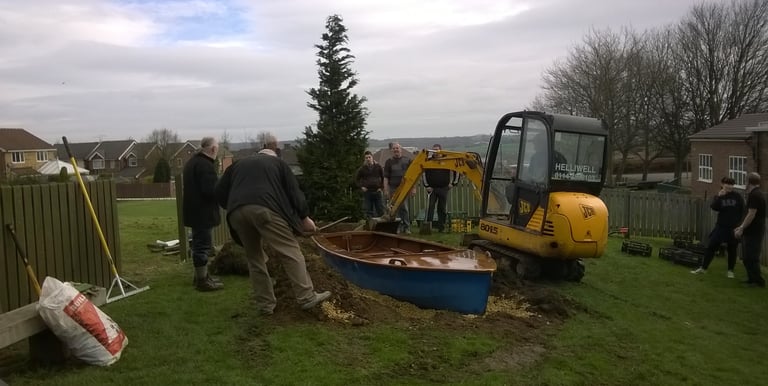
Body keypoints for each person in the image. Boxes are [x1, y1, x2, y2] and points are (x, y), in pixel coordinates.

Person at [215, 133, 331, 315]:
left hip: (236, 213)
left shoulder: (238, 164)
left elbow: (219, 191)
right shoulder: (279, 164)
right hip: (265, 209)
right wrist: (304, 218)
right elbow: (294, 193)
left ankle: (265, 305)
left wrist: (233, 205)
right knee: (290, 251)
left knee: (254, 258)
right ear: (275, 153)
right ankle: (306, 297)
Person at [182, 137, 224, 292]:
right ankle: (202, 281)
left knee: (199, 244)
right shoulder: (205, 165)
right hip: (203, 212)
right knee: (202, 247)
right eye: (217, 148)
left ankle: (202, 276)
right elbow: (210, 190)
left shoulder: (192, 162)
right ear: (213, 149)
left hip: (194, 211)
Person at [691, 177, 744, 277]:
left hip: (733, 227)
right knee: (711, 246)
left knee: (732, 249)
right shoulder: (720, 196)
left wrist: (740, 226)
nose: (729, 186)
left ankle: (730, 271)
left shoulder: (737, 197)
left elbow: (742, 211)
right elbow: (714, 207)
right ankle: (703, 268)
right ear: (722, 184)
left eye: (731, 184)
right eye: (727, 184)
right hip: (721, 226)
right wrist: (719, 197)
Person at [734, 172, 766, 288]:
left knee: (752, 257)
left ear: (748, 182)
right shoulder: (755, 193)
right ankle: (751, 278)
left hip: (754, 232)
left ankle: (758, 282)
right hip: (751, 230)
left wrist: (741, 228)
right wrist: (741, 227)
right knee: (747, 257)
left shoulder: (755, 195)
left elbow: (751, 214)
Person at [422, 144, 459, 233]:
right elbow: (423, 173)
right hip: (432, 189)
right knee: (430, 207)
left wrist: (453, 183)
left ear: (441, 150)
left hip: (443, 188)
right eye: (434, 150)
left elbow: (457, 170)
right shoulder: (429, 161)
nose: (435, 152)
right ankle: (429, 226)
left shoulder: (447, 160)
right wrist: (427, 186)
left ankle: (441, 227)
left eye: (437, 150)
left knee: (442, 208)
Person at [384, 143, 414, 234]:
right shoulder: (388, 162)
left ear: (401, 149)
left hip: (404, 188)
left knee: (404, 208)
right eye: (394, 148)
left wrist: (413, 188)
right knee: (394, 208)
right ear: (391, 150)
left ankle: (406, 227)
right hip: (393, 188)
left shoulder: (407, 160)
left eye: (397, 148)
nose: (395, 150)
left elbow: (412, 176)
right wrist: (386, 189)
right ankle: (397, 227)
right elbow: (386, 177)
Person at [355, 151, 386, 219]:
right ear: (365, 159)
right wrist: (361, 187)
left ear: (372, 157)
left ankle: (382, 224)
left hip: (377, 191)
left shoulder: (378, 167)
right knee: (368, 210)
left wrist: (381, 187)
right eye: (366, 158)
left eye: (369, 157)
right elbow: (357, 179)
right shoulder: (362, 169)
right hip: (367, 192)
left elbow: (383, 177)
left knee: (380, 209)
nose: (368, 159)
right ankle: (369, 224)